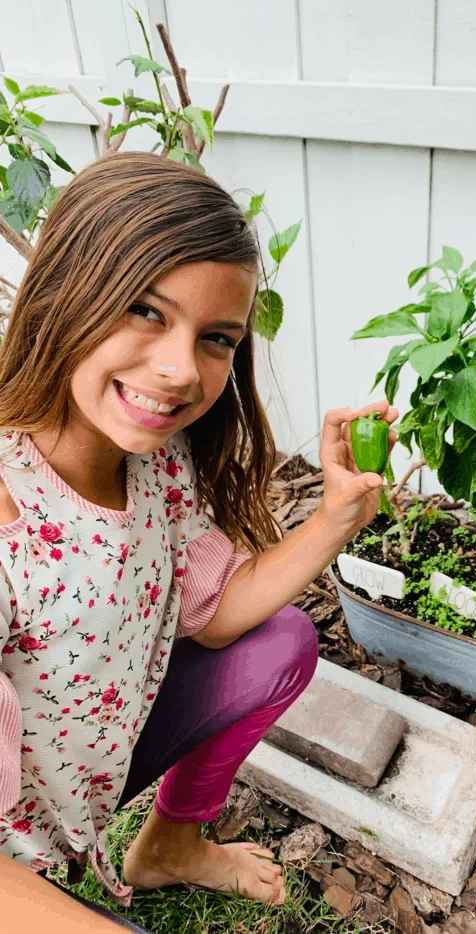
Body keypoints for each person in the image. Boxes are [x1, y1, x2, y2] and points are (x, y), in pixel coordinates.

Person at [0, 151, 398, 931]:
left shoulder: (154, 466)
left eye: (216, 337)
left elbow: (215, 615)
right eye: (145, 310)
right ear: (61, 295)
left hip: (87, 775)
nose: (182, 368)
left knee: (279, 639)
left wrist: (337, 517)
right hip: (17, 852)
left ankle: (170, 847)